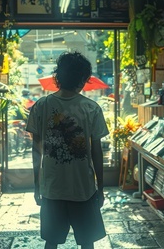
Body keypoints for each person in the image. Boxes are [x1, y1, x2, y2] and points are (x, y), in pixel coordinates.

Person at [26, 51, 109, 249]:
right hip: (84, 188)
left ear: (58, 77)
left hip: (52, 188)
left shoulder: (40, 106)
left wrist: (37, 185)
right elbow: (97, 153)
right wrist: (101, 188)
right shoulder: (92, 108)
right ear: (83, 79)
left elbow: (36, 151)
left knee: (51, 242)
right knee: (87, 242)